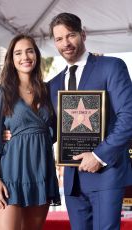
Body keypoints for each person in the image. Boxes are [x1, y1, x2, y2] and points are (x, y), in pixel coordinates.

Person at [47, 13, 132, 230]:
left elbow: (129, 116)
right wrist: (12, 134)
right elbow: (52, 131)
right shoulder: (54, 84)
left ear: (83, 35)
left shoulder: (111, 66)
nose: (65, 43)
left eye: (71, 35)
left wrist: (98, 156)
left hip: (106, 174)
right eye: (59, 39)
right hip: (72, 182)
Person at [0, 34, 60, 230]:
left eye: (29, 51)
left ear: (36, 55)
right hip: (11, 174)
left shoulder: (47, 91)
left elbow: (55, 133)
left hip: (41, 173)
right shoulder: (3, 92)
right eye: (18, 53)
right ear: (12, 59)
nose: (25, 57)